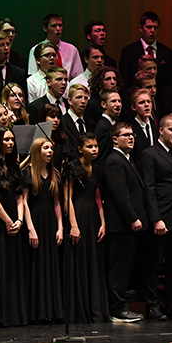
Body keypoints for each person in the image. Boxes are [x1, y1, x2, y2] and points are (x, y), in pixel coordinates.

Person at [140, 115, 172, 321]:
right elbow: (149, 189)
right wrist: (156, 219)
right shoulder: (149, 154)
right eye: (171, 129)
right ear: (161, 130)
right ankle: (152, 305)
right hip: (161, 219)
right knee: (153, 265)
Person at [102, 122, 146, 323]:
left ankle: (120, 306)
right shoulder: (114, 160)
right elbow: (121, 195)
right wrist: (133, 218)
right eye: (126, 135)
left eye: (132, 134)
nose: (131, 138)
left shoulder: (127, 159)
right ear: (114, 139)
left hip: (127, 226)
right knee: (118, 269)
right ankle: (117, 308)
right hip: (120, 225)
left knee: (125, 267)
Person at [0, 128, 27, 327]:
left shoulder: (13, 165)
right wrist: (8, 222)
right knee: (0, 267)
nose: (10, 143)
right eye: (6, 139)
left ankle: (14, 315)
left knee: (13, 269)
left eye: (12, 139)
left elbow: (19, 195)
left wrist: (19, 220)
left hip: (14, 223)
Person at [63, 133, 108, 324]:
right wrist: (73, 224)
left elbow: (97, 196)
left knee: (93, 261)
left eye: (96, 146)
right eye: (90, 146)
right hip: (78, 215)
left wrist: (103, 222)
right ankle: (78, 310)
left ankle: (95, 309)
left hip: (93, 217)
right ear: (80, 149)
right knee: (79, 260)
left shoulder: (96, 169)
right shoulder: (72, 167)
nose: (94, 149)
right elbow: (67, 197)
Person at [22, 137, 63, 323]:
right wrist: (31, 228)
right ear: (37, 151)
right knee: (37, 266)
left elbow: (56, 202)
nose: (50, 151)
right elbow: (24, 202)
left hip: (50, 224)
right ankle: (37, 311)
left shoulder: (54, 174)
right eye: (46, 148)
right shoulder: (29, 173)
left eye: (51, 148)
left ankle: (51, 310)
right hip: (36, 221)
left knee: (50, 265)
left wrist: (61, 227)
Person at [118, 11, 172, 91]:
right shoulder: (128, 52)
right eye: (148, 27)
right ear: (140, 28)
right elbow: (125, 81)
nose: (152, 31)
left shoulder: (167, 52)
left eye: (155, 27)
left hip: (161, 99)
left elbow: (170, 82)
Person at [27, 13, 83, 80]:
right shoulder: (35, 50)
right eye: (53, 26)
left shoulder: (72, 49)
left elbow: (78, 76)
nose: (58, 29)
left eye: (60, 25)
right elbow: (33, 76)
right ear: (45, 28)